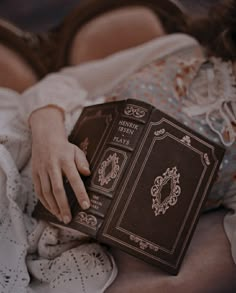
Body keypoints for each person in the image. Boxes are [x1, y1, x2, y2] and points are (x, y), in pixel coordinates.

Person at [0, 0, 235, 292]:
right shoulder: (182, 49)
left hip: (66, 234)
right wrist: (50, 137)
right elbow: (63, 81)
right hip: (29, 143)